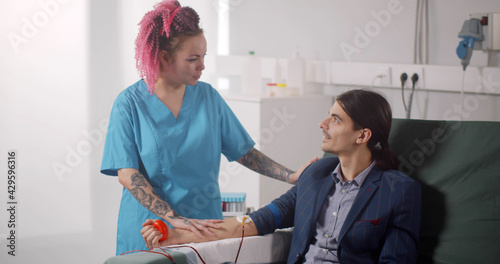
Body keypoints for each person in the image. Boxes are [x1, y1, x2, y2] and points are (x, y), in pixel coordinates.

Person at [100, 0, 315, 255]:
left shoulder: (208, 97)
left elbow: (244, 152)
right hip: (152, 227)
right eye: (192, 59)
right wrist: (174, 218)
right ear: (164, 57)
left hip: (205, 226)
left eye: (203, 57)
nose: (202, 66)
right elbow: (128, 174)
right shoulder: (129, 104)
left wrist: (290, 176)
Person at [142, 89, 422, 264]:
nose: (322, 125)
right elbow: (254, 222)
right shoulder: (315, 176)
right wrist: (179, 235)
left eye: (336, 119)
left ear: (363, 135)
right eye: (328, 115)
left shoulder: (398, 191)